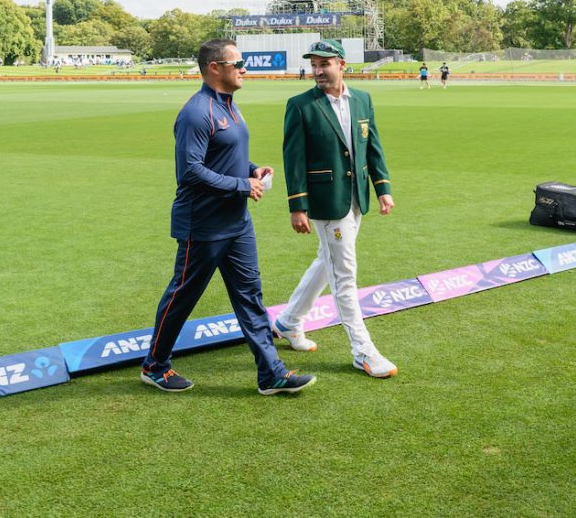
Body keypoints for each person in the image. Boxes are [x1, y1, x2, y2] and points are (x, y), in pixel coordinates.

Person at [140, 39, 314, 395]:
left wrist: (252, 169)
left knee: (250, 295)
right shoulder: (196, 112)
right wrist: (242, 185)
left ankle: (271, 374)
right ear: (214, 67)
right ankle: (155, 366)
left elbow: (224, 156)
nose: (244, 69)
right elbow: (189, 172)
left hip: (237, 223)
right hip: (202, 225)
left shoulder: (230, 106)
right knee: (183, 295)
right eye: (238, 63)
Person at [274, 39, 397, 379]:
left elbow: (373, 145)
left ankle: (287, 322)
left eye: (324, 64)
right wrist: (297, 207)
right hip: (327, 202)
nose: (317, 70)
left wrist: (382, 187)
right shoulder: (300, 105)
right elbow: (293, 159)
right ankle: (363, 351)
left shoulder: (362, 99)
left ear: (341, 64)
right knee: (345, 275)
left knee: (327, 263)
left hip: (357, 196)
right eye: (313, 64)